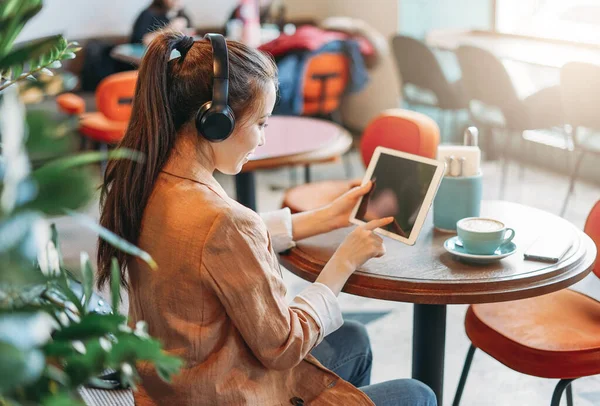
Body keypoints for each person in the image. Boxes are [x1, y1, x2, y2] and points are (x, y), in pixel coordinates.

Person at [97, 29, 436, 406]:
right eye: (261, 123)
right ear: (216, 122)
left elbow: (214, 248)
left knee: (352, 338)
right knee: (417, 393)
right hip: (226, 393)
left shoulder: (148, 181)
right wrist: (343, 263)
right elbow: (283, 345)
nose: (262, 140)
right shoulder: (223, 222)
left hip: (175, 390)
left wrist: (325, 217)